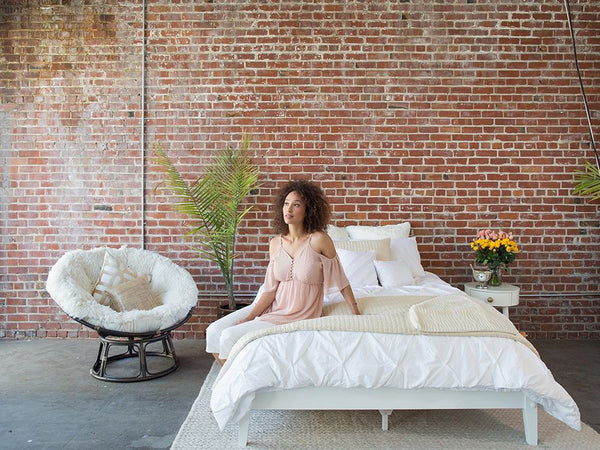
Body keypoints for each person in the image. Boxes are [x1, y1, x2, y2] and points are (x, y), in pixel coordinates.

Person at [205, 179, 360, 365]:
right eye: (286, 204)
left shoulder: (319, 240)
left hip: (299, 314)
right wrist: (250, 316)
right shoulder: (275, 243)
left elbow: (341, 279)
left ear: (308, 209)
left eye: (296, 205)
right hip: (274, 308)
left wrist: (356, 311)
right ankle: (228, 380)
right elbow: (270, 290)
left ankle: (227, 384)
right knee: (213, 331)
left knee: (229, 336)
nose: (289, 209)